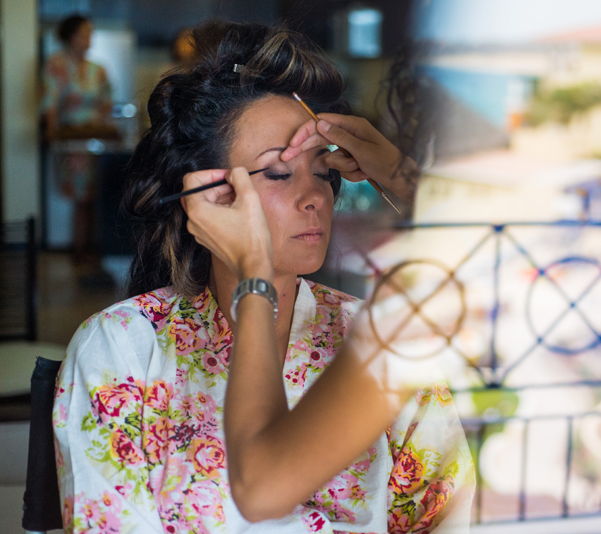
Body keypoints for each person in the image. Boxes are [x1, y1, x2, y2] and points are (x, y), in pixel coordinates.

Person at [53, 20, 473, 534]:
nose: (315, 196)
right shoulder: (122, 349)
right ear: (207, 192)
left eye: (325, 172)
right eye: (277, 172)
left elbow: (442, 514)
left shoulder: (377, 337)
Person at [40, 14, 118, 263]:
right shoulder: (56, 65)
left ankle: (97, 249)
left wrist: (106, 124)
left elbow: (108, 102)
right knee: (81, 198)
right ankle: (80, 249)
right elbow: (49, 104)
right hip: (73, 142)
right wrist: (52, 134)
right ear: (72, 36)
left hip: (99, 140)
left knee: (100, 195)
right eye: (85, 33)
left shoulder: (99, 69)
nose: (89, 38)